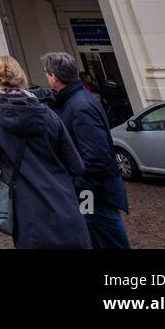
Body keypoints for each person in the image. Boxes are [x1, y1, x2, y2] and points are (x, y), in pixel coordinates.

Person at [0, 56, 90, 249]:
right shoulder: (48, 113)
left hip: (26, 207)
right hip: (63, 202)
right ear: (22, 78)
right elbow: (76, 164)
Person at [43, 52, 130, 249]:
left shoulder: (80, 106)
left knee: (106, 239)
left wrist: (75, 186)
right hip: (90, 191)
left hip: (94, 194)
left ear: (54, 76)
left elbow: (96, 159)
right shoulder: (75, 100)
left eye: (47, 73)